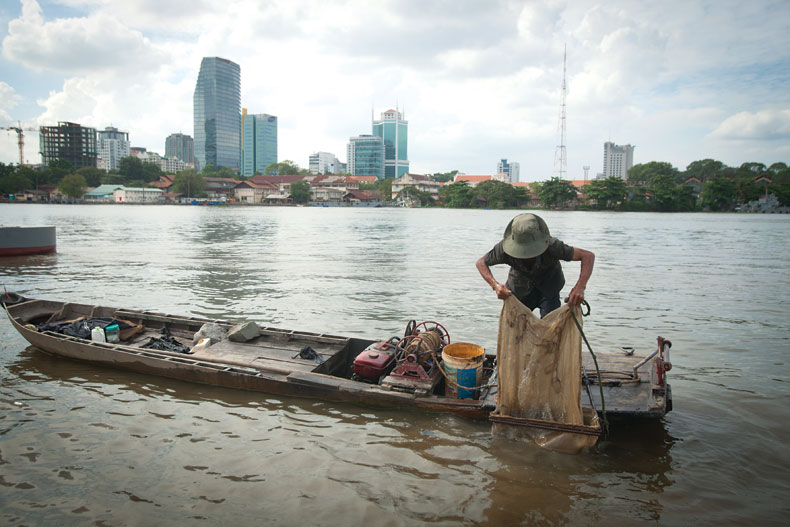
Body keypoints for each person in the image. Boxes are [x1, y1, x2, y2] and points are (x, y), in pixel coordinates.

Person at [475, 213, 594, 318]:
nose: (527, 255)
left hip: (549, 290)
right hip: (519, 291)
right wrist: (495, 286)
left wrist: (580, 288)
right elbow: (481, 263)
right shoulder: (503, 249)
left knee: (551, 330)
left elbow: (587, 256)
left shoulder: (552, 246)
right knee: (516, 330)